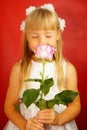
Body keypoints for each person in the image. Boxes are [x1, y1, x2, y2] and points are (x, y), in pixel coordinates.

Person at [4, 3, 81, 130]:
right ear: (27, 37)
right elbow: (9, 106)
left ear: (57, 34)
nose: (41, 42)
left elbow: (75, 105)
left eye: (48, 35)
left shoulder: (67, 69)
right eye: (35, 36)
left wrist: (58, 119)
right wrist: (24, 125)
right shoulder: (19, 68)